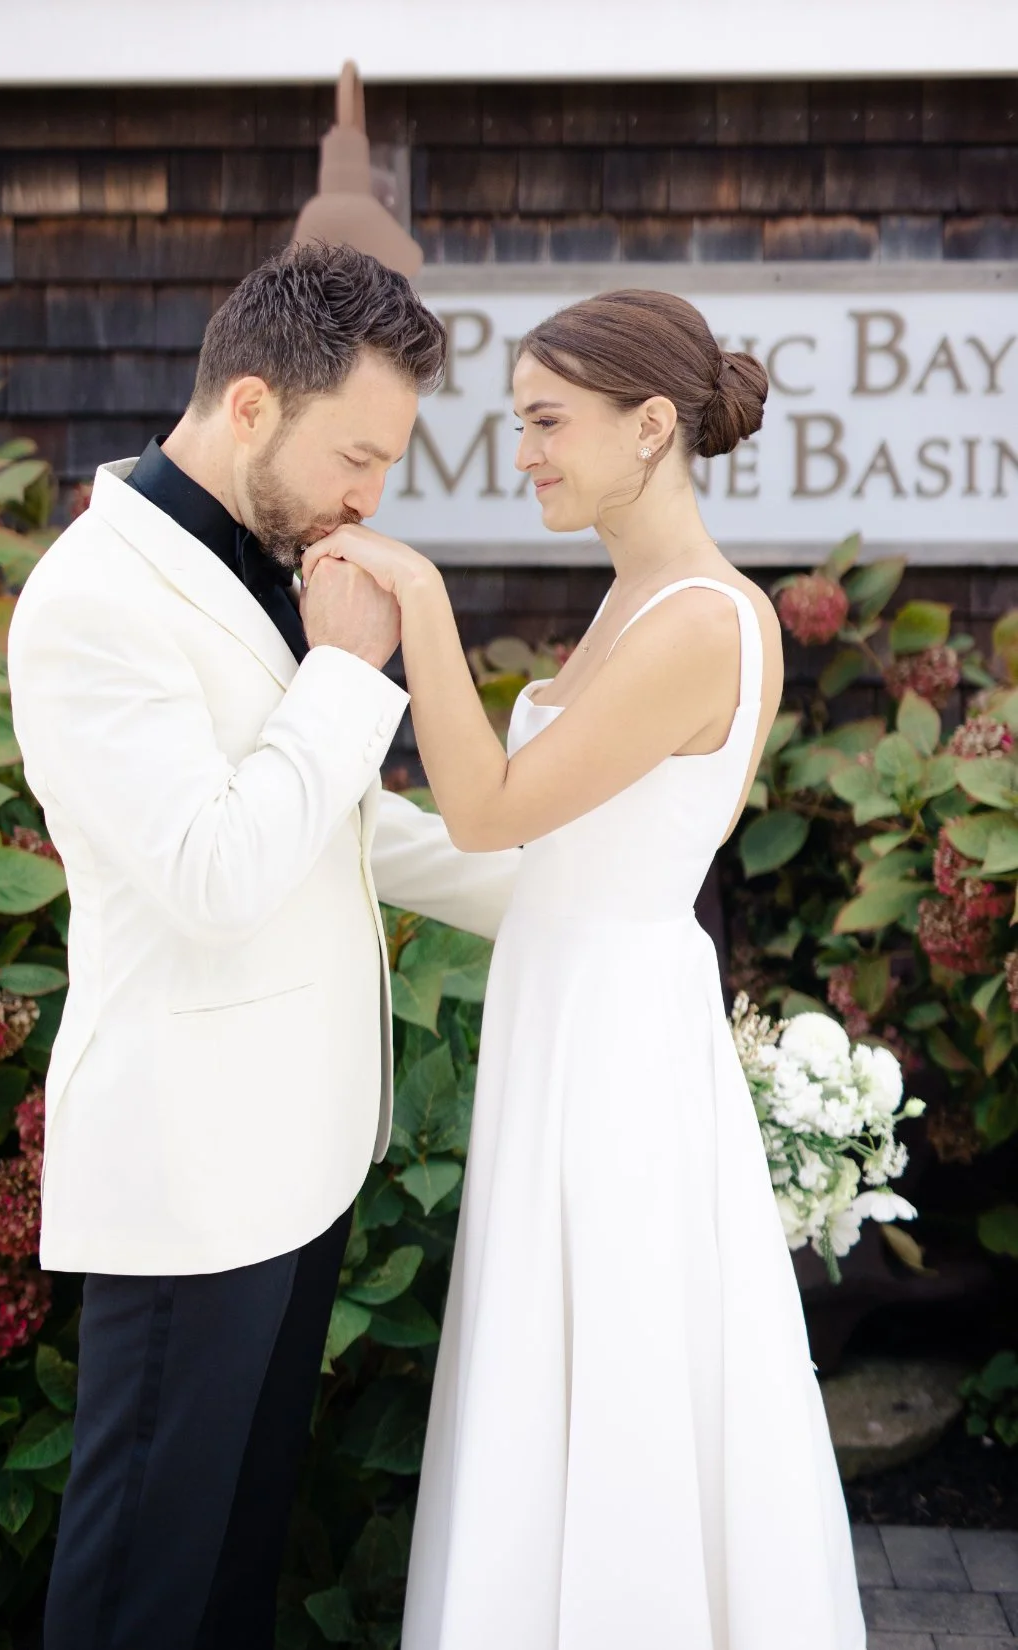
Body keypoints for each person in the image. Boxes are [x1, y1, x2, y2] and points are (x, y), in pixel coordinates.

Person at [301, 289, 868, 1650]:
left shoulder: (699, 622)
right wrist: (336, 827)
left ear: (652, 425)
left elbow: (495, 808)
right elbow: (541, 872)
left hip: (615, 1052)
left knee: (612, 1376)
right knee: (554, 1370)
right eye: (519, 425)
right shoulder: (628, 600)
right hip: (571, 1015)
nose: (527, 453)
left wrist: (416, 593)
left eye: (548, 422)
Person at [6, 242, 522, 1650]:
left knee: (231, 1570)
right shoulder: (92, 601)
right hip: (192, 1178)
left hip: (296, 1164)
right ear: (249, 407)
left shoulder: (263, 557)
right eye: (357, 455)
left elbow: (333, 828)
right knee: (138, 1596)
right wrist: (351, 674)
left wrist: (559, 886)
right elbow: (218, 871)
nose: (371, 500)